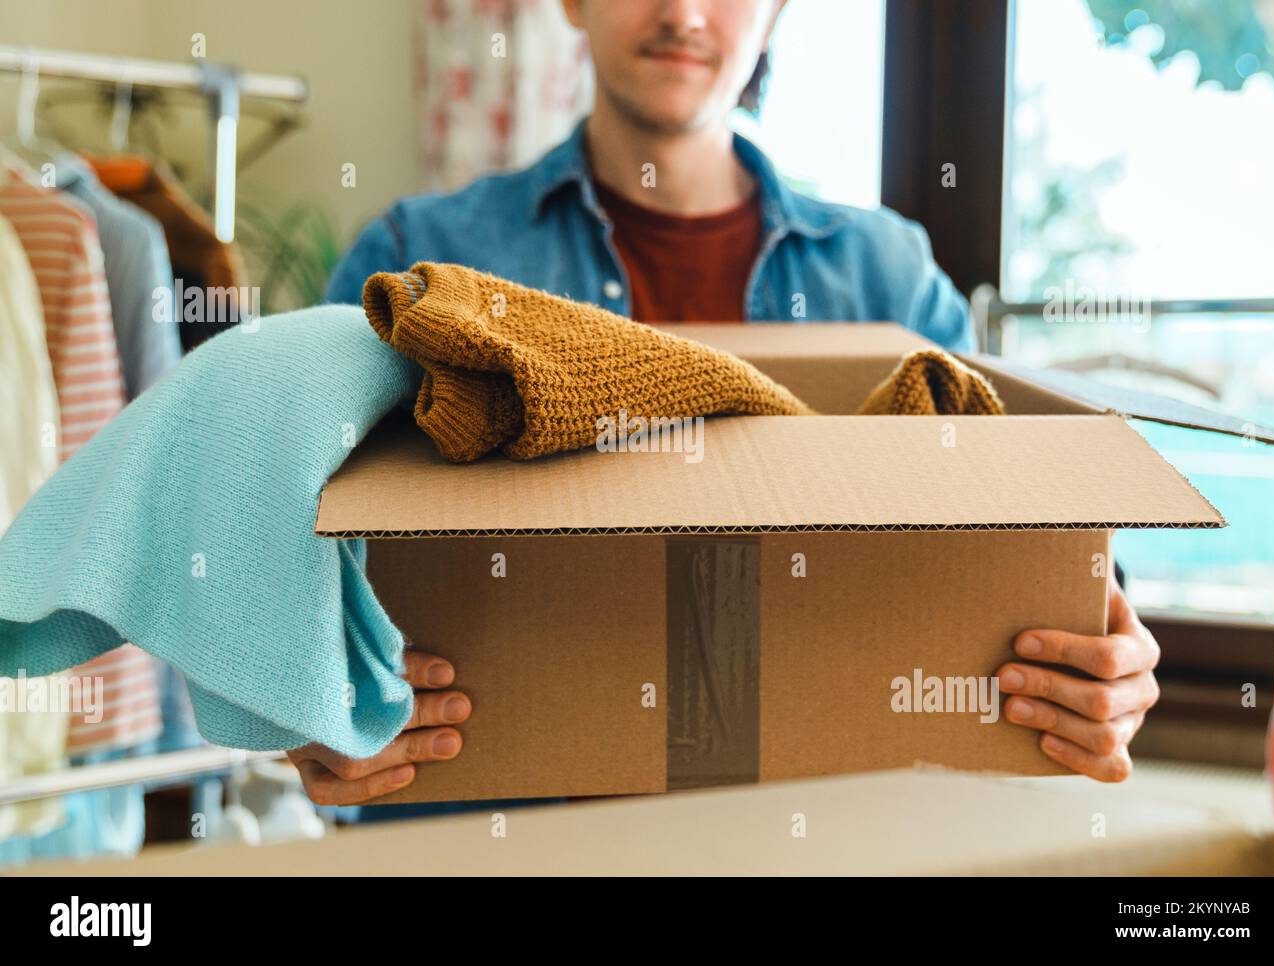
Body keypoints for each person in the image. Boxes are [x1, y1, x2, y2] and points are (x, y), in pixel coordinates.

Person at [297, 0, 1160, 805]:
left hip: (825, 833)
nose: (683, 15)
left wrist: (1102, 656)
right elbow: (291, 526)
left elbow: (1044, 541)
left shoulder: (886, 278)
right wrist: (302, 697)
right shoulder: (425, 264)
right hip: (495, 835)